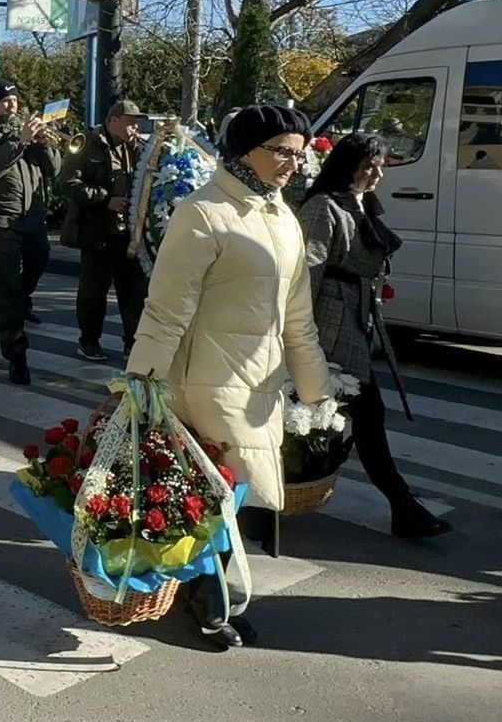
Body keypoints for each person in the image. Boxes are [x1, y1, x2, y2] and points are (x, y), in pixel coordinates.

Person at [127, 104, 334, 650]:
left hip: (259, 386)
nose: (293, 162)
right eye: (282, 151)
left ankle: (205, 594)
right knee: (218, 499)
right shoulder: (203, 212)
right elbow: (166, 308)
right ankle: (214, 605)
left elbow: (298, 318)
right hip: (204, 382)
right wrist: (142, 380)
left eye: (299, 152)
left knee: (227, 499)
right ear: (246, 150)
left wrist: (318, 393)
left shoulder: (282, 216)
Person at [298, 133, 450, 539]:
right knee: (365, 416)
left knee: (347, 420)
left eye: (381, 165)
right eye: (370, 165)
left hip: (355, 317)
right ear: (348, 165)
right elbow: (306, 276)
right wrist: (300, 338)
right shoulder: (322, 208)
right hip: (330, 322)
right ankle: (404, 506)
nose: (378, 173)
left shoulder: (362, 202)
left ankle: (401, 507)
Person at [0, 80, 61, 385]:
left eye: (15, 100)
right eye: (5, 101)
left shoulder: (26, 130)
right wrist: (18, 141)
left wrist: (45, 144)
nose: (12, 105)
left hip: (30, 218)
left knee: (33, 269)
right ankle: (17, 356)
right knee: (6, 288)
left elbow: (54, 170)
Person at [62, 100, 149, 362]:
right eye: (130, 120)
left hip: (129, 234)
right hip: (97, 232)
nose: (136, 126)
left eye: (137, 121)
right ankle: (88, 341)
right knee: (93, 292)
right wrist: (104, 199)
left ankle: (132, 344)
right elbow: (68, 182)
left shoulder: (141, 147)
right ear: (113, 121)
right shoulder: (87, 143)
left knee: (134, 292)